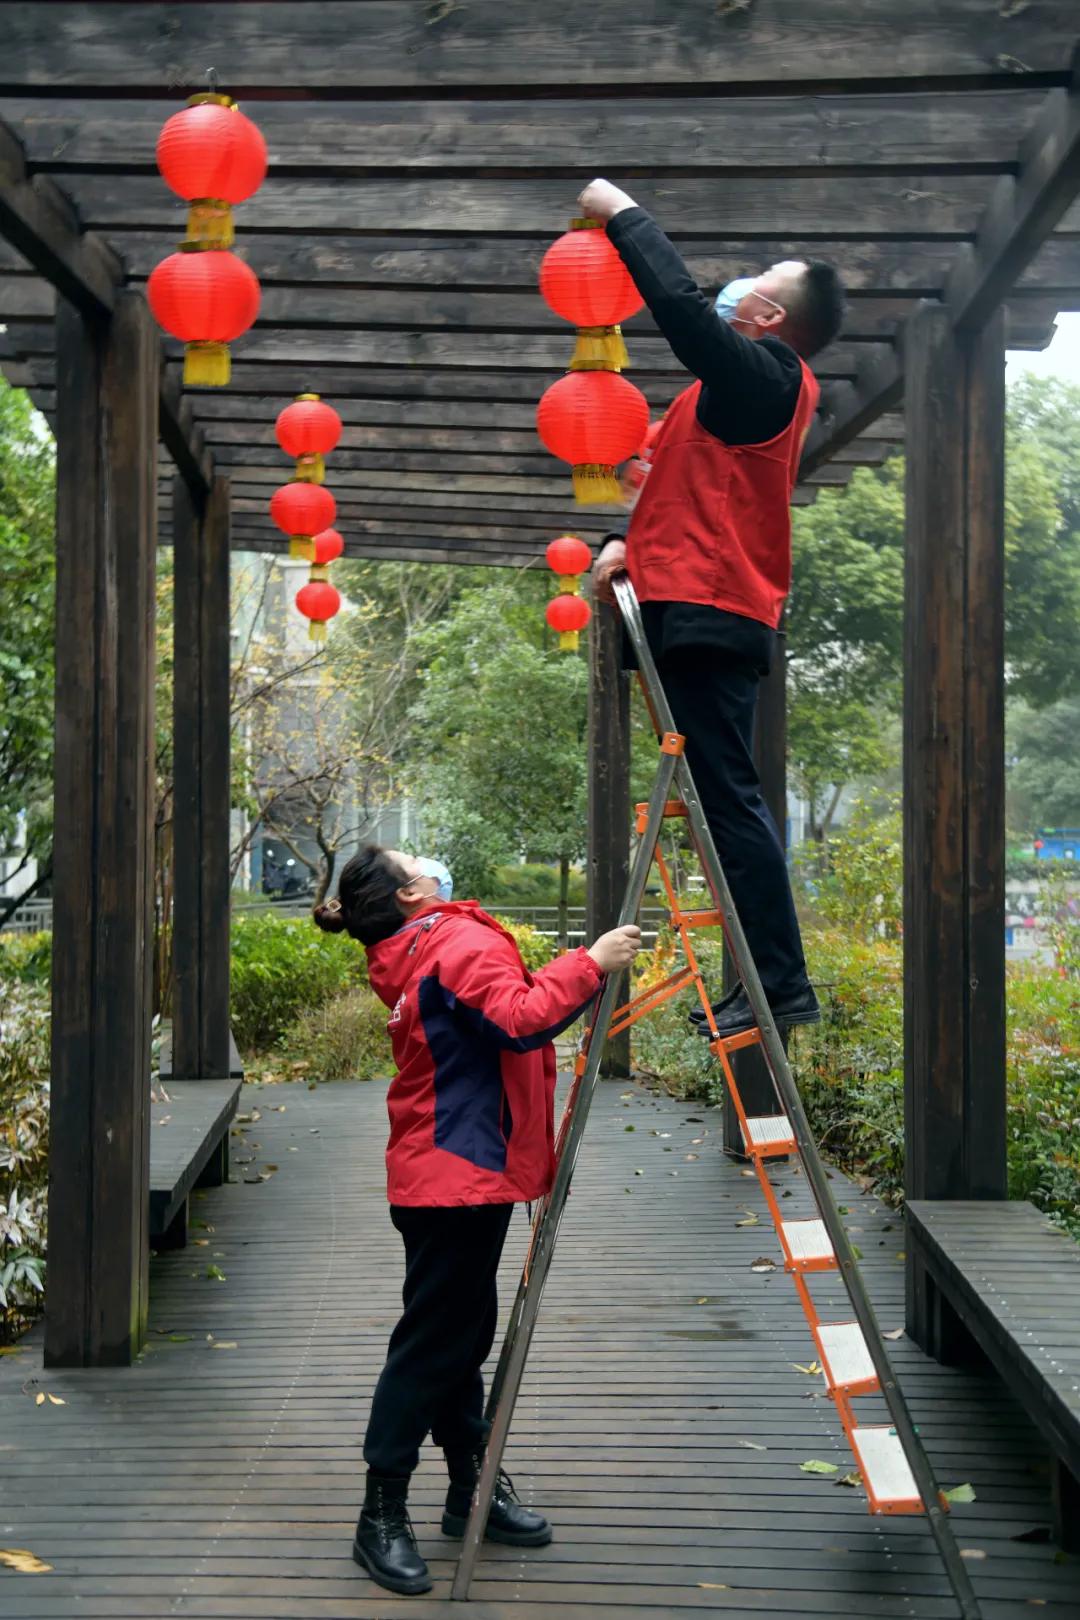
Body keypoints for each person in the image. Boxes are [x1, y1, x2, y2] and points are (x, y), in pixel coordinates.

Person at [314, 845, 641, 1595]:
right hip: (457, 1170)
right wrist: (591, 962)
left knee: (459, 1338)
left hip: (451, 1168)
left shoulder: (422, 946)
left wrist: (578, 970)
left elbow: (501, 1017)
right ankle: (380, 1514)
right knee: (433, 1345)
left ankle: (473, 1487)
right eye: (411, 858)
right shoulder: (452, 940)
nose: (426, 860)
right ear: (408, 893)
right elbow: (521, 1020)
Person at [580, 177, 847, 1039]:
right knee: (721, 802)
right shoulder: (721, 396)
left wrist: (623, 215)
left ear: (770, 316)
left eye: (760, 279)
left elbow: (687, 316)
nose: (741, 284)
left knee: (729, 800)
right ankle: (765, 982)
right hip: (688, 601)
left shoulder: (770, 376)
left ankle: (780, 984)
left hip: (712, 606)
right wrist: (621, 540)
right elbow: (665, 481)